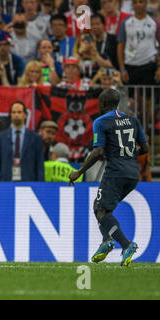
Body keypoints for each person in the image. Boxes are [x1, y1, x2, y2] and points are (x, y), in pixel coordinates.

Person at [69, 88, 149, 267]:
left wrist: (79, 171)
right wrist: (126, 154)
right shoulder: (133, 120)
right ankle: (106, 241)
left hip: (115, 173)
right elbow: (145, 149)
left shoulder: (101, 122)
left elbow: (98, 151)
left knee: (101, 209)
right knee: (101, 207)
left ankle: (126, 244)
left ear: (102, 103)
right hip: (132, 174)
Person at [0, 101, 45, 181]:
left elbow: (39, 164)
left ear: (25, 115)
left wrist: (40, 185)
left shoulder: (35, 138)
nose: (16, 115)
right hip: (6, 181)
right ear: (10, 115)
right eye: (13, 112)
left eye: (19, 112)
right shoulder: (1, 137)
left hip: (28, 181)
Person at [117, 0, 160, 86]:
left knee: (148, 97)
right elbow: (120, 46)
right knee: (129, 98)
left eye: (141, 2)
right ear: (132, 5)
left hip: (149, 65)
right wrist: (122, 69)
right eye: (135, 2)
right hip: (130, 65)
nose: (138, 4)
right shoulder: (125, 22)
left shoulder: (155, 22)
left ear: (146, 3)